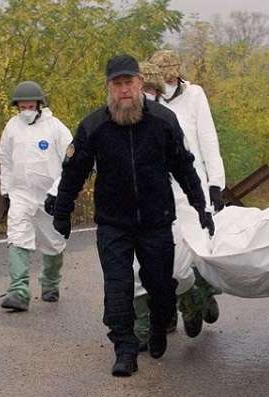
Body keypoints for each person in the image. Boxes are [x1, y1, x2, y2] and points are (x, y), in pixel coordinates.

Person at [52, 54, 212, 377]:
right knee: (118, 289)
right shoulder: (94, 126)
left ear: (140, 83)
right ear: (109, 88)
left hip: (156, 220)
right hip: (114, 223)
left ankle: (157, 325)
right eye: (117, 84)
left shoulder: (163, 121)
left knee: (162, 288)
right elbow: (72, 173)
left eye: (129, 82)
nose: (124, 89)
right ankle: (124, 349)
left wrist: (200, 206)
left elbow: (184, 166)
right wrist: (62, 212)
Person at [149, 49, 224, 336]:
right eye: (162, 77)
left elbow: (208, 138)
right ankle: (175, 306)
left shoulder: (195, 95)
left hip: (191, 185)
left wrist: (216, 183)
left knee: (195, 248)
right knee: (162, 250)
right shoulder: (147, 98)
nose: (167, 82)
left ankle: (199, 295)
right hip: (160, 188)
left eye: (171, 76)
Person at [0, 81, 72, 312]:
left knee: (53, 243)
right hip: (21, 194)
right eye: (22, 106)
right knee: (18, 236)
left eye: (30, 105)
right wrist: (6, 191)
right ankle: (18, 290)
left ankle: (50, 283)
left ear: (40, 104)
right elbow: (6, 160)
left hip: (49, 197)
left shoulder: (56, 128)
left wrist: (59, 193)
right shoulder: (11, 127)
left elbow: (71, 163)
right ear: (17, 106)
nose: (26, 110)